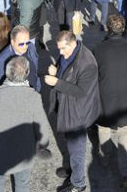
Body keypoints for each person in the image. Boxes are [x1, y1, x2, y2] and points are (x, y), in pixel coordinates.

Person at [0, 56, 52, 192]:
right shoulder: (33, 97)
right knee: (23, 183)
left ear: (7, 72)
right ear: (27, 73)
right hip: (24, 153)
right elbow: (41, 125)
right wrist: (42, 144)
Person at [45, 31, 100, 192]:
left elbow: (82, 91)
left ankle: (78, 183)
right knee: (71, 144)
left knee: (77, 149)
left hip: (78, 112)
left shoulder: (87, 62)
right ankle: (72, 169)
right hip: (68, 107)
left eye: (63, 49)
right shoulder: (70, 53)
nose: (60, 53)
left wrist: (57, 82)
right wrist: (56, 71)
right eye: (59, 49)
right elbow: (65, 70)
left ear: (73, 43)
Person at [94, 14, 127, 189]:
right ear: (123, 29)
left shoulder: (98, 48)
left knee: (103, 128)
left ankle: (105, 157)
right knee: (126, 132)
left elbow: (95, 74)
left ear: (108, 29)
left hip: (105, 97)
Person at [0, 25, 40, 97]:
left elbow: (35, 71)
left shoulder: (31, 47)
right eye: (21, 44)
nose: (25, 47)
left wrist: (37, 90)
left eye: (27, 42)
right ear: (12, 42)